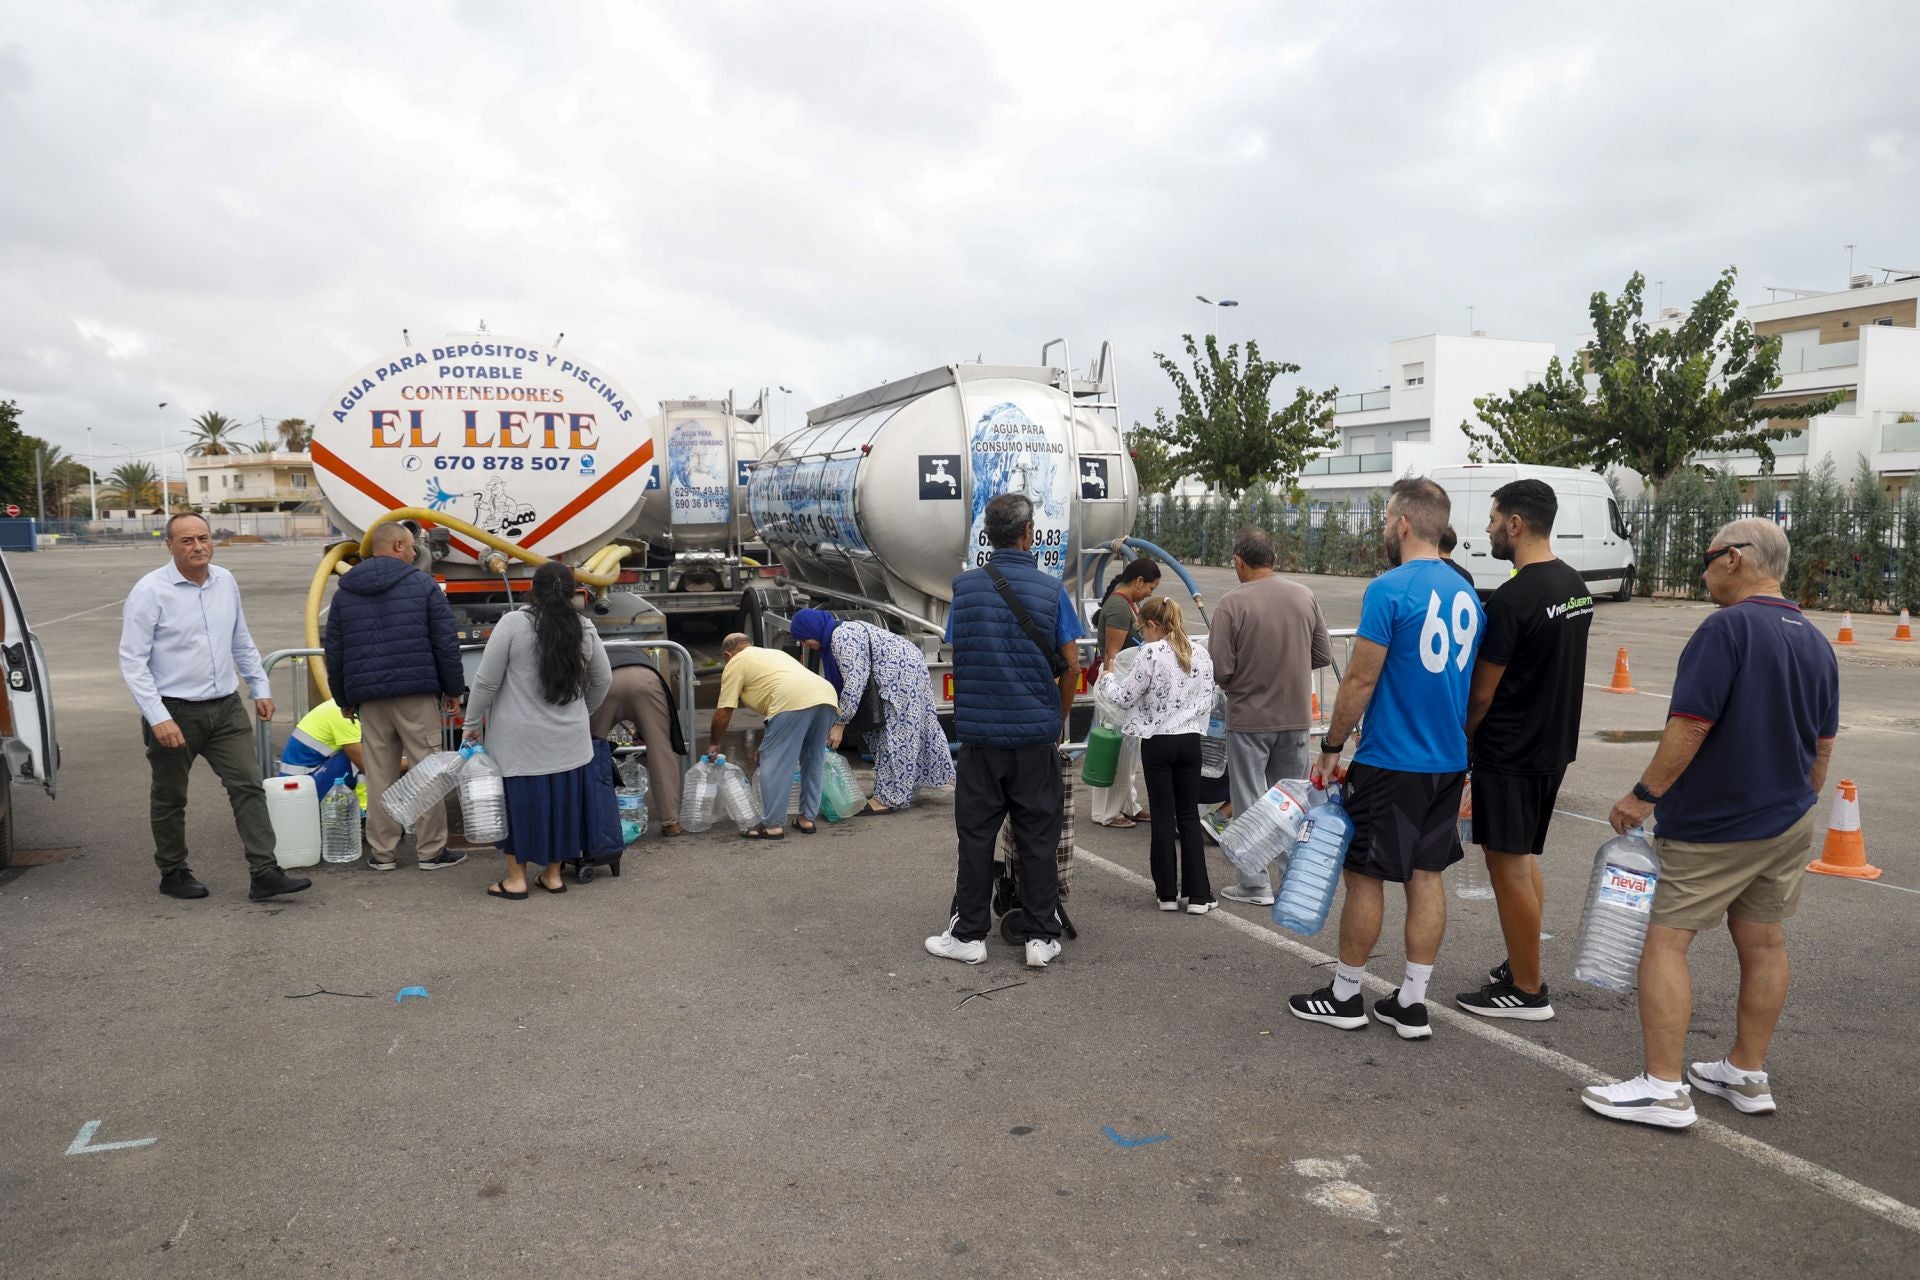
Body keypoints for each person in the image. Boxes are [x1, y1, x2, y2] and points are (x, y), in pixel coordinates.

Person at [1582, 519, 1838, 1129]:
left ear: (1735, 560)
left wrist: (1644, 794)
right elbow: (1823, 744)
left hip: (1713, 824)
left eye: (1707, 558)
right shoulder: (1813, 637)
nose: (1702, 571)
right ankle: (1746, 1072)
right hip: (1785, 821)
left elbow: (1691, 725)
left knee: (1666, 941)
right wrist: (1795, 800)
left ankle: (1663, 1088)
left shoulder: (1725, 629)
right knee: (1765, 942)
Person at [1289, 478, 1483, 1041]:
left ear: (1402, 523)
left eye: (1385, 519)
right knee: (1426, 875)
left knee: (1365, 875)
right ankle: (1412, 1000)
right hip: (1447, 759)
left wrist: (1331, 746)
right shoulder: (1466, 592)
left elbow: (1361, 677)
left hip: (1393, 757)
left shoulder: (1390, 588)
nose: (1382, 528)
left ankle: (1346, 993)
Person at [925, 492, 1083, 970]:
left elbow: (961, 653)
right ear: (1029, 533)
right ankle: (1040, 937)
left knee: (975, 836)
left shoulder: (965, 589)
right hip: (1035, 735)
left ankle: (969, 935)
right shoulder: (1051, 590)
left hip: (980, 739)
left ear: (986, 537)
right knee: (1038, 836)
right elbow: (1072, 665)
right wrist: (1056, 717)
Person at [118, 512, 308, 901]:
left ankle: (265, 872)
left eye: (203, 538)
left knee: (248, 785)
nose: (198, 546)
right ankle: (173, 871)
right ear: (169, 545)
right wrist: (159, 718)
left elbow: (240, 638)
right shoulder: (149, 591)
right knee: (171, 796)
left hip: (225, 708)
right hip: (175, 711)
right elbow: (132, 662)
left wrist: (260, 686)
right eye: (186, 541)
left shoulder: (225, 582)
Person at [1456, 480, 1593, 1021]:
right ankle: (1522, 964)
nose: (1488, 529)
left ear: (1515, 524)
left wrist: (1461, 739)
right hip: (1553, 744)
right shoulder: (1573, 584)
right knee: (1523, 859)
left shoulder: (1513, 597)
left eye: (1493, 519)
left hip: (1510, 750)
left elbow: (1484, 691)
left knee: (1507, 865)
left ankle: (1528, 990)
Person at [461, 562, 612, 898]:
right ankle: (553, 875)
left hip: (518, 744)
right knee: (563, 807)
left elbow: (485, 681)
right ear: (574, 591)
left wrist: (470, 724)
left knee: (520, 808)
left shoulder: (513, 624)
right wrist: (580, 713)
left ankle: (516, 880)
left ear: (534, 590)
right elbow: (603, 679)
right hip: (569, 743)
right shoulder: (583, 627)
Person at [323, 522, 466, 872]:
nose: (416, 551)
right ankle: (430, 851)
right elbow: (444, 643)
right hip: (416, 695)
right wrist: (453, 690)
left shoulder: (345, 591)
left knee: (378, 774)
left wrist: (343, 698)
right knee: (428, 770)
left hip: (368, 699)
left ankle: (382, 853)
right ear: (399, 545)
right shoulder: (422, 585)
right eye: (412, 546)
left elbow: (335, 650)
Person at [1209, 526, 1332, 905]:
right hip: (1295, 715)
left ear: (1239, 561)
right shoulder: (1304, 595)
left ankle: (1254, 883)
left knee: (1248, 797)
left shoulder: (1232, 603)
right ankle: (1294, 879)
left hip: (1249, 716)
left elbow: (1220, 669)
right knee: (1292, 801)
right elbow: (1323, 655)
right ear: (1274, 560)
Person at [1096, 596, 1217, 913]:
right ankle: (1199, 894)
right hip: (1190, 738)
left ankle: (1166, 892)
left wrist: (1108, 677)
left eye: (1142, 629)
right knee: (1189, 815)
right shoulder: (1199, 651)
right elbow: (1209, 697)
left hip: (1157, 739)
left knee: (1163, 815)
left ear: (1152, 624)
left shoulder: (1149, 653)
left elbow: (1125, 697)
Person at [788, 609, 955, 814]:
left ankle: (888, 798)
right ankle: (900, 787)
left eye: (805, 640)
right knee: (898, 732)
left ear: (812, 630)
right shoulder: (835, 635)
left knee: (895, 735)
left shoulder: (842, 638)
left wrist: (841, 723)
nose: (806, 646)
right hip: (906, 668)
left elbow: (854, 682)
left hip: (901, 676)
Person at [707, 634, 839, 839]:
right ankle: (806, 819)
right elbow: (778, 705)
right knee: (813, 758)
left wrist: (714, 742)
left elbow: (724, 710)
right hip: (825, 695)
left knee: (775, 763)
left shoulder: (736, 662)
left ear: (727, 654)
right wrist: (765, 743)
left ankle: (773, 825)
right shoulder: (773, 654)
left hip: (791, 699)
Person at [1089, 558, 1160, 828]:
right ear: (1138, 582)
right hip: (1117, 689)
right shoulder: (1119, 607)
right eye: (1150, 588)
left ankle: (1128, 805)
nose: (1150, 594)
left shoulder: (1128, 605)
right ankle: (1107, 812)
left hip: (1125, 689)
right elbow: (1112, 655)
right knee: (1114, 752)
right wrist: (1113, 694)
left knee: (1129, 753)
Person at [588, 651, 685, 836]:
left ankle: (593, 820)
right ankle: (671, 822)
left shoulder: (599, 649)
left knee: (593, 750)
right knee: (660, 750)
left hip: (607, 682)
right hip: (646, 680)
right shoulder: (641, 656)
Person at [277, 697, 365, 808]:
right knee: (363, 756)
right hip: (301, 788)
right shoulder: (346, 712)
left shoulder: (340, 704)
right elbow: (359, 757)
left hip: (299, 784)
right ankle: (364, 809)